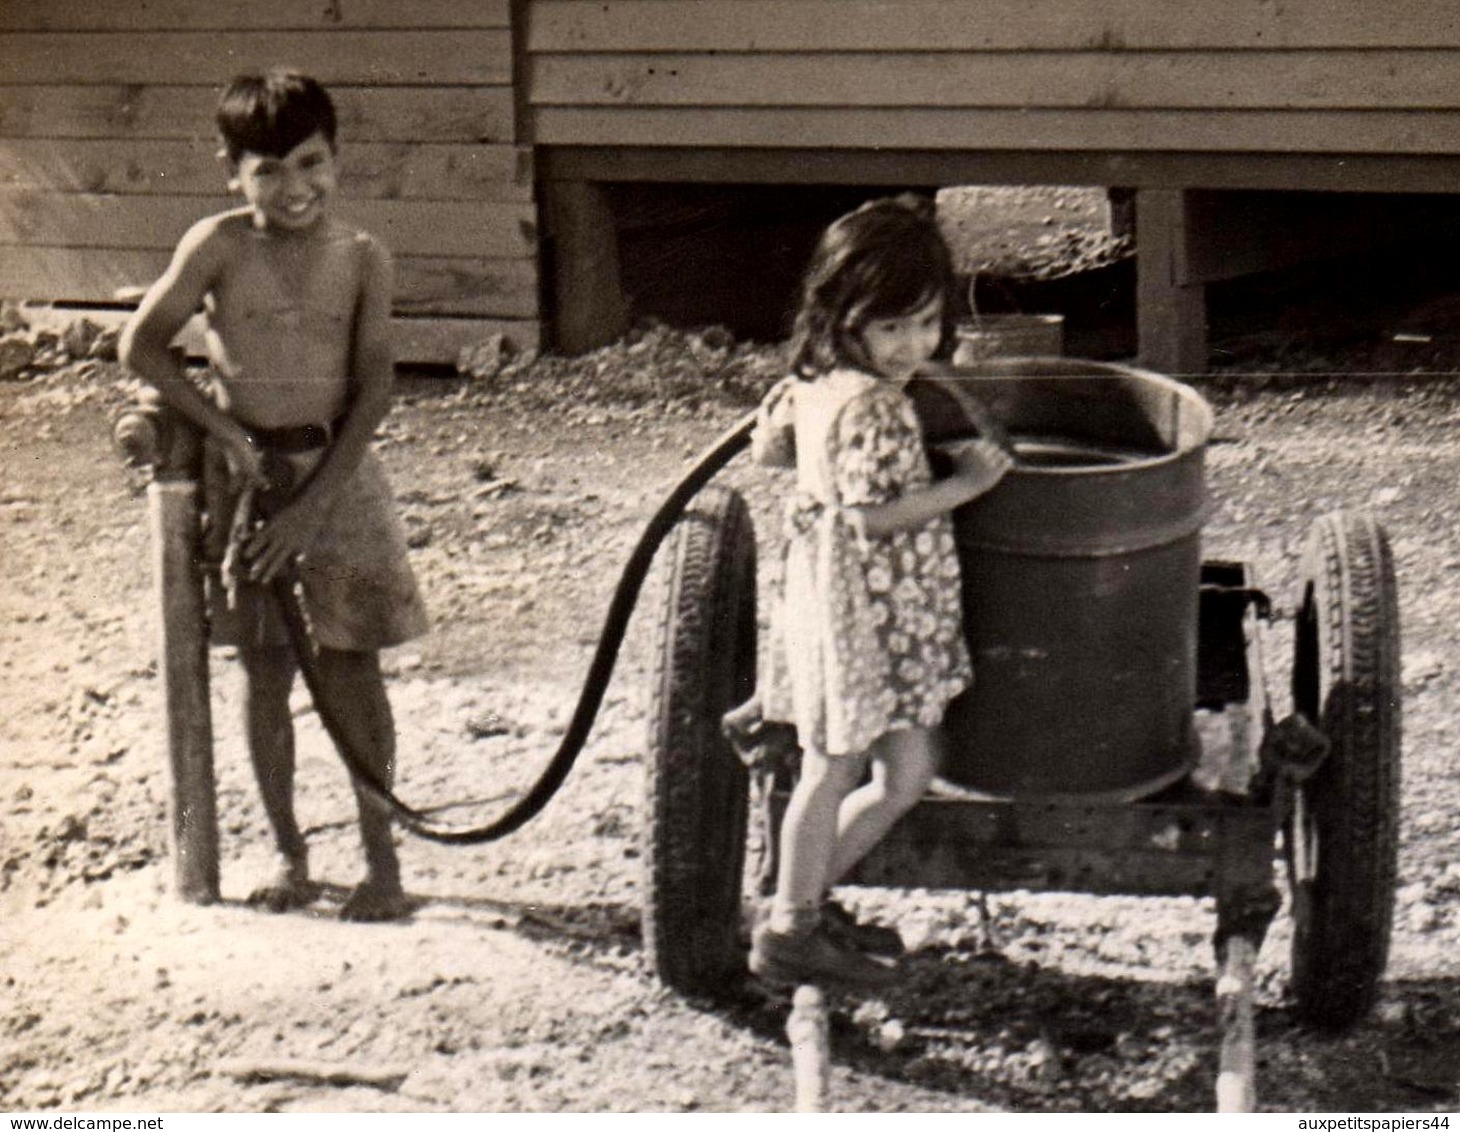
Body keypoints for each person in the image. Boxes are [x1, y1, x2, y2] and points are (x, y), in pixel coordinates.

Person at [119, 68, 428, 921]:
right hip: (248, 483)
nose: (294, 189)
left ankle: (381, 861)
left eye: (311, 163)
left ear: (335, 160)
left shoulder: (362, 256)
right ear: (231, 171)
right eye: (268, 171)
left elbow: (374, 390)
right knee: (266, 673)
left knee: (352, 669)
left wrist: (313, 509)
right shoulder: (216, 246)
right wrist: (223, 433)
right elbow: (141, 346)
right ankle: (290, 856)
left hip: (339, 480)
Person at [745, 195, 1014, 988]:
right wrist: (965, 483)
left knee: (904, 772)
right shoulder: (878, 407)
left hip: (840, 604)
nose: (913, 345)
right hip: (868, 609)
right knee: (833, 768)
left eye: (927, 323)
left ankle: (803, 899)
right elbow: (872, 520)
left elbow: (769, 453)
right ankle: (789, 929)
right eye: (891, 327)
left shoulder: (817, 380)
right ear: (846, 317)